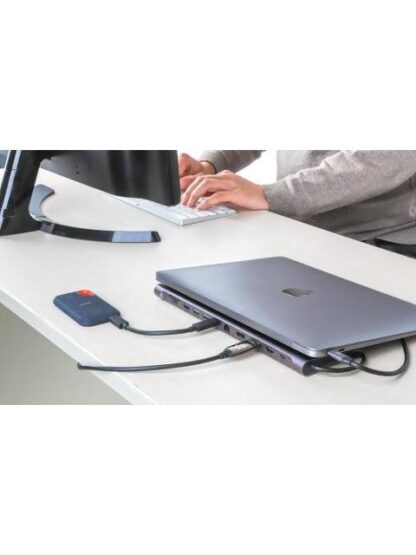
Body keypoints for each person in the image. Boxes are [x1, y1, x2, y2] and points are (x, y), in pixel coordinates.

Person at [179, 150, 416, 256]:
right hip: (300, 229)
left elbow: (384, 157)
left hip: (383, 243)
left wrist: (272, 195)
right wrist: (212, 163)